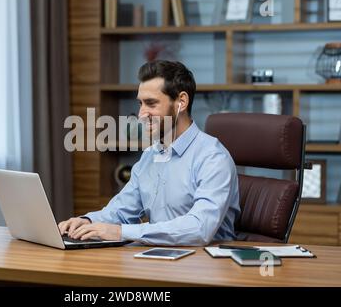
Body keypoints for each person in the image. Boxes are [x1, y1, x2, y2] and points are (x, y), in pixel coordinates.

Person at [58, 60, 240, 246]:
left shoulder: (213, 158)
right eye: (140, 104)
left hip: (205, 265)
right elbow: (122, 210)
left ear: (181, 102)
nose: (141, 114)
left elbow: (199, 228)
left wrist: (121, 232)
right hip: (159, 259)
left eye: (151, 104)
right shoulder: (150, 155)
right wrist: (87, 222)